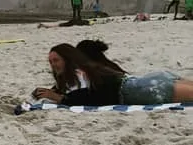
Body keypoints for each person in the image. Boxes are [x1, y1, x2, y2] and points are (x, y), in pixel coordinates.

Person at [32, 41, 193, 106]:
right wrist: (52, 92)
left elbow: (87, 97)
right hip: (144, 82)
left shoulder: (80, 73)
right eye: (51, 61)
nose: (53, 65)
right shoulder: (78, 74)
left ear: (67, 60)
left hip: (141, 91)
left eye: (56, 60)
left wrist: (58, 98)